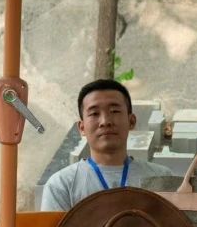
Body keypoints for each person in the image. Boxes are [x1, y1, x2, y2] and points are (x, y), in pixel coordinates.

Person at [41, 79, 173, 211]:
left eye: (114, 111)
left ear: (131, 121)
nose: (105, 121)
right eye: (94, 113)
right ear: (82, 128)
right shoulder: (61, 185)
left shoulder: (161, 177)